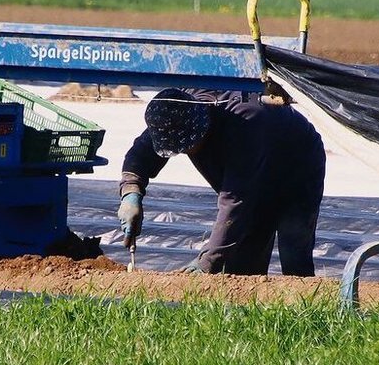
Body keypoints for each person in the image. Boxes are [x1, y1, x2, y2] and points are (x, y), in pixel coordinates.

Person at [117, 87, 325, 276]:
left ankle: (304, 308)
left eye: (187, 147)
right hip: (249, 172)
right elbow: (141, 155)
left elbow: (235, 201)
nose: (186, 153)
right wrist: (131, 192)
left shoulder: (244, 124)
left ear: (202, 129)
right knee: (242, 262)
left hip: (297, 167)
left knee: (294, 249)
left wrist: (208, 261)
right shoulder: (176, 111)